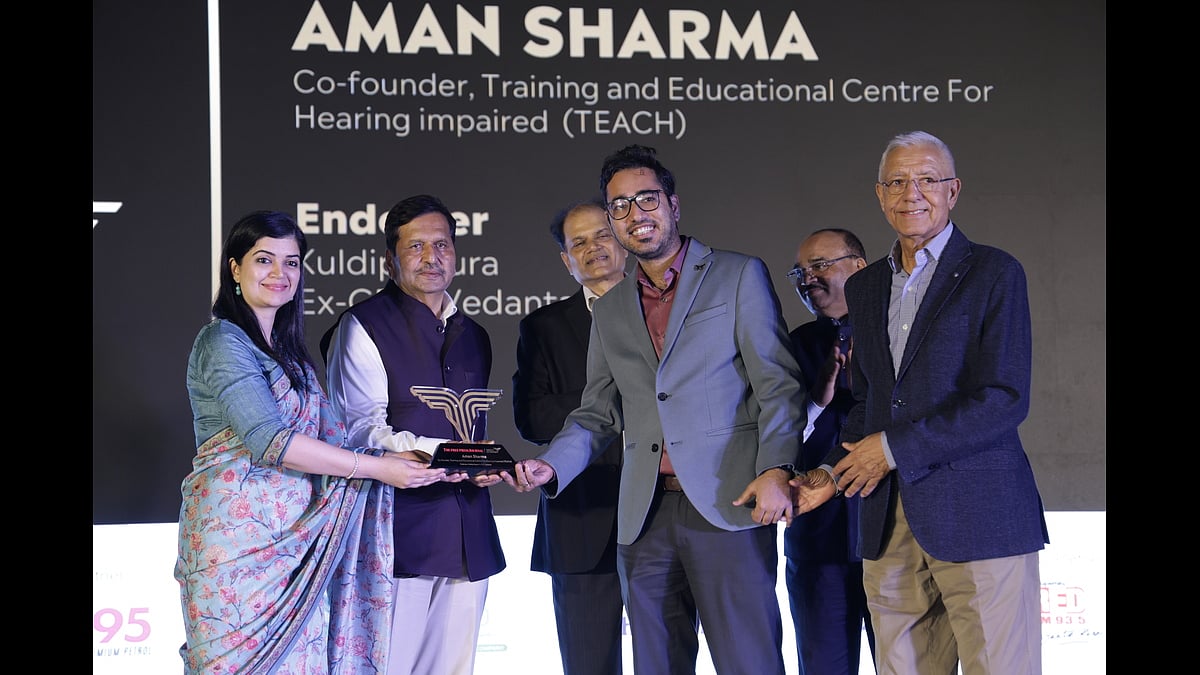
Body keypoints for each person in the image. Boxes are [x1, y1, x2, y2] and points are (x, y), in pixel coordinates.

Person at [504, 144, 805, 675]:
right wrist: (551, 465)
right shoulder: (613, 306)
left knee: (749, 663)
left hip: (727, 504)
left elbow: (778, 385)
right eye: (619, 206)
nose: (634, 215)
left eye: (646, 199)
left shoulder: (737, 275)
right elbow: (598, 413)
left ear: (673, 205)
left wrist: (777, 468)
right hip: (643, 518)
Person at [792, 131, 1050, 675]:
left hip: (980, 514)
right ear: (880, 196)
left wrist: (889, 448)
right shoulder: (865, 288)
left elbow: (1004, 398)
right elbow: (867, 403)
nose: (912, 193)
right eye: (897, 182)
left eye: (927, 179)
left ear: (953, 191)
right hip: (886, 521)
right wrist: (830, 475)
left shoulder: (994, 272)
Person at [175, 210, 452, 674]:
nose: (280, 274)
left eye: (292, 262)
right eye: (264, 260)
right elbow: (271, 441)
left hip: (298, 544)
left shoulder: (289, 354)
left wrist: (393, 457)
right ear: (234, 268)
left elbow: (329, 438)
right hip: (239, 549)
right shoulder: (222, 340)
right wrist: (379, 468)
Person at [322, 194, 507, 675]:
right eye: (417, 246)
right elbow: (358, 429)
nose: (432, 258)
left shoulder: (475, 334)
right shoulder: (362, 325)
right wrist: (454, 455)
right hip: (395, 532)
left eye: (442, 245)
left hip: (469, 531)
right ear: (391, 258)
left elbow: (473, 430)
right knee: (388, 666)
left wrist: (481, 465)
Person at [512, 198, 629, 675]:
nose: (593, 248)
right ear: (566, 260)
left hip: (670, 512)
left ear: (623, 239)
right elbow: (533, 418)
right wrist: (611, 400)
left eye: (602, 234)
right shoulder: (543, 327)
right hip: (581, 516)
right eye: (578, 242)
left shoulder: (669, 309)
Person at [784, 228, 876, 675]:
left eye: (820, 265)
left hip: (891, 535)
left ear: (858, 266)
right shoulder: (790, 346)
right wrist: (818, 397)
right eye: (800, 272)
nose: (808, 278)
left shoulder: (894, 331)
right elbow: (779, 436)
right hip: (818, 539)